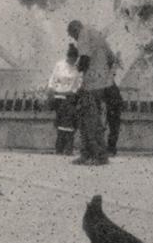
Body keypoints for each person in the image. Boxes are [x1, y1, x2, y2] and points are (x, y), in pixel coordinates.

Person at [66, 18, 113, 165]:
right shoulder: (97, 34)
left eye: (73, 35)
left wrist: (77, 69)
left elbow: (85, 59)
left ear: (75, 30)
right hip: (102, 84)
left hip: (91, 84)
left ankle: (98, 155)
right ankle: (87, 154)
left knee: (89, 120)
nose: (74, 39)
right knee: (93, 118)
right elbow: (111, 58)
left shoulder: (83, 34)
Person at [46, 42, 82, 155]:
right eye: (71, 59)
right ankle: (62, 148)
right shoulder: (59, 65)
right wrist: (51, 89)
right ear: (68, 57)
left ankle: (65, 148)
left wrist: (71, 92)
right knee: (61, 122)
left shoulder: (77, 68)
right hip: (58, 96)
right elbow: (53, 78)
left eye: (75, 59)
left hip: (70, 97)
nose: (73, 61)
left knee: (68, 122)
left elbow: (78, 85)